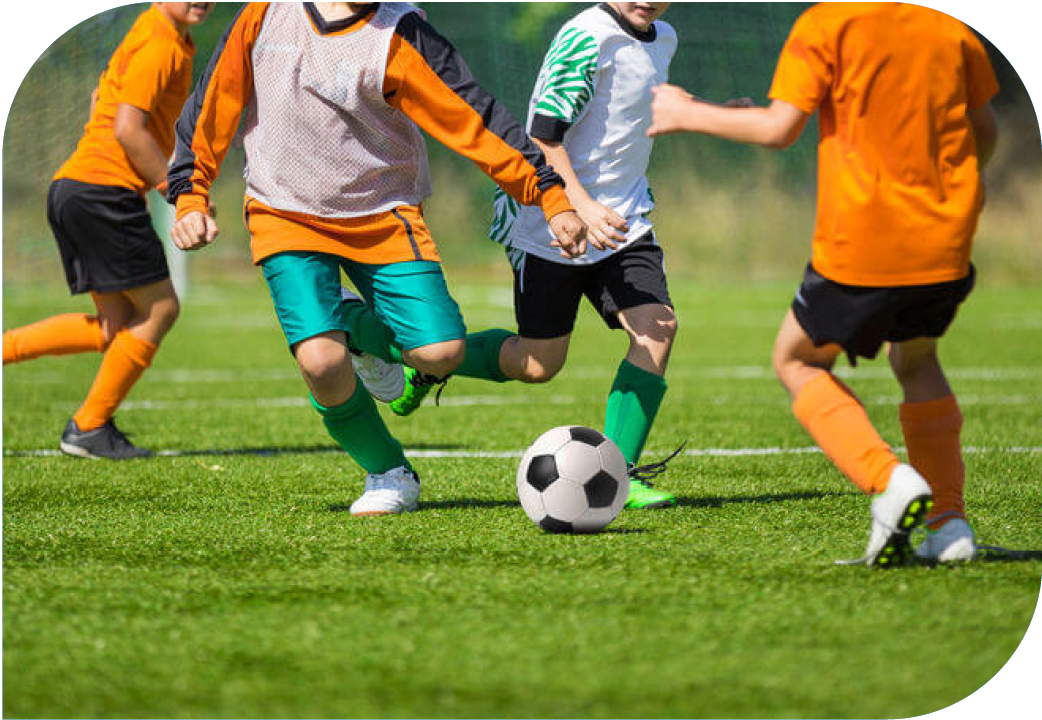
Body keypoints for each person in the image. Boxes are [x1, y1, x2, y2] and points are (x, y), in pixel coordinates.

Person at [167, 2, 586, 516]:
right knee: (321, 360)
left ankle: (355, 330)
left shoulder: (400, 31)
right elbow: (215, 102)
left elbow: (472, 117)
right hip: (284, 211)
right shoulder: (265, 12)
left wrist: (547, 193)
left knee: (439, 354)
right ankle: (388, 471)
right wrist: (191, 193)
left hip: (384, 215)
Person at [648, 2, 999, 564]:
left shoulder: (827, 23)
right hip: (946, 240)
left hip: (863, 240)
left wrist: (686, 112)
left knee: (798, 361)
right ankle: (949, 527)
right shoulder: (949, 26)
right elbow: (985, 130)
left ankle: (889, 481)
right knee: (917, 362)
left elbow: (778, 127)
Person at [397, 2, 681, 510]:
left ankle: (620, 472)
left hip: (622, 219)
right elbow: (543, 136)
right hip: (549, 220)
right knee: (538, 363)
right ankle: (433, 363)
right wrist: (580, 206)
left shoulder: (665, 39)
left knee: (658, 326)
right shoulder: (586, 38)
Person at [2, 2, 215, 459]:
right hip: (102, 191)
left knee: (113, 327)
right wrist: (177, 193)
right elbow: (127, 128)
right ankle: (88, 427)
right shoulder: (160, 44)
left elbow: (101, 101)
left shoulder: (153, 32)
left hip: (77, 186)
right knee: (160, 309)